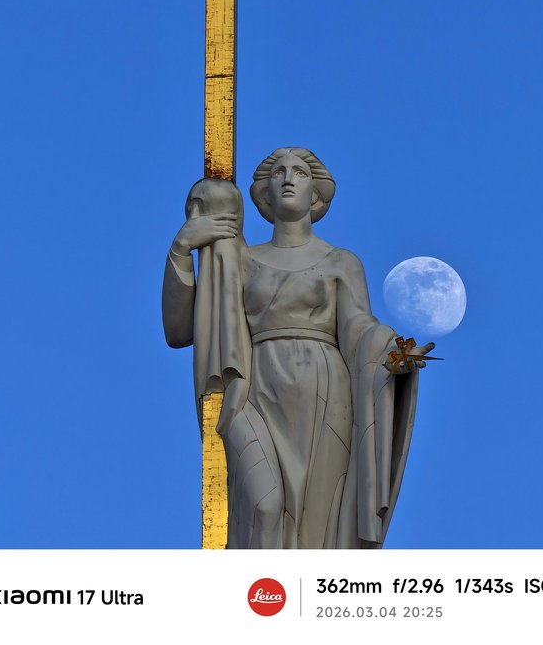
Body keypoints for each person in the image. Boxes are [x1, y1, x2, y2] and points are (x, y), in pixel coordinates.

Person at [162, 147, 434, 548]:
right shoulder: (238, 260)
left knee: (316, 526)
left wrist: (391, 352)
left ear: (316, 193)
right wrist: (181, 249)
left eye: (300, 173)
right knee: (263, 505)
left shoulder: (341, 262)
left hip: (325, 398)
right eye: (279, 173)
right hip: (254, 390)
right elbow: (181, 331)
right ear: (264, 193)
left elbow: (358, 328)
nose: (289, 179)